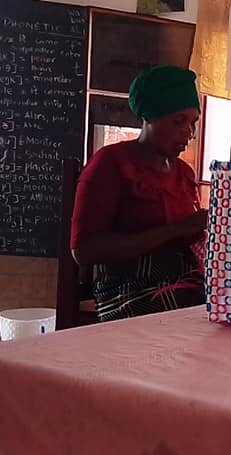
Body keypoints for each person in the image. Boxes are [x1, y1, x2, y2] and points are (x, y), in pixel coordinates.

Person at [71, 65, 206, 321]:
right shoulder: (111, 164)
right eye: (178, 121)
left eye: (193, 123)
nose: (188, 132)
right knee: (195, 315)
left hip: (181, 286)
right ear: (149, 116)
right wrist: (176, 229)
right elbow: (84, 251)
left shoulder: (184, 174)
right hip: (125, 293)